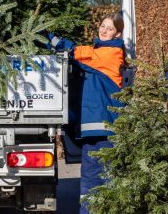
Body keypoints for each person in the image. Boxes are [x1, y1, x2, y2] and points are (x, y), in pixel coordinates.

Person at [47, 12, 125, 214]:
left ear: (117, 34)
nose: (104, 30)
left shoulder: (109, 53)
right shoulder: (99, 50)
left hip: (102, 131)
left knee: (94, 177)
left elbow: (74, 52)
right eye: (102, 25)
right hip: (98, 130)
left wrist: (49, 37)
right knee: (96, 177)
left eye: (110, 28)